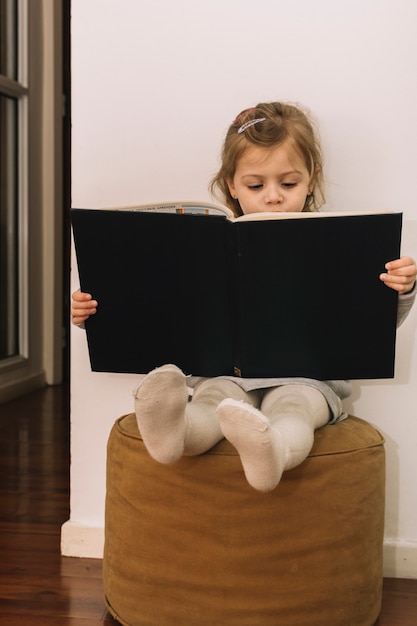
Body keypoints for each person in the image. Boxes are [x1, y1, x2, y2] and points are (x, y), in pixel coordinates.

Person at [72, 102, 417, 492]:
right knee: (212, 400)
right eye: (256, 185)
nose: (273, 197)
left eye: (289, 184)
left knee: (295, 408)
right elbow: (157, 307)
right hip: (225, 373)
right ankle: (175, 434)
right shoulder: (209, 247)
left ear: (311, 178)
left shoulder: (338, 242)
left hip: (307, 380)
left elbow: (367, 323)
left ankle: (274, 450)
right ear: (232, 184)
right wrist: (95, 313)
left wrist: (400, 289)